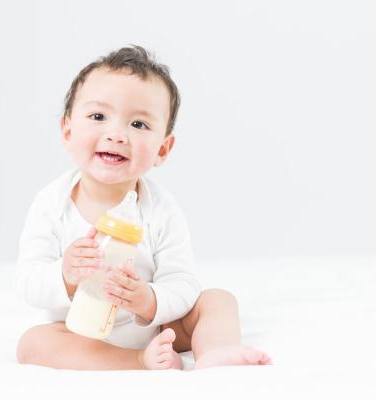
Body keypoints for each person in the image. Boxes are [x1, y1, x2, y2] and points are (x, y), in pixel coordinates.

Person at [14, 45, 271, 370]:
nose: (117, 134)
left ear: (163, 149)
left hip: (154, 327)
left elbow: (182, 281)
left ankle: (215, 351)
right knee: (32, 343)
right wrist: (65, 274)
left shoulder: (161, 209)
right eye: (98, 117)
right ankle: (136, 360)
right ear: (68, 131)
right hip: (80, 332)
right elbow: (28, 281)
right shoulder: (52, 204)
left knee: (218, 300)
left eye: (138, 124)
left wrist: (149, 300)